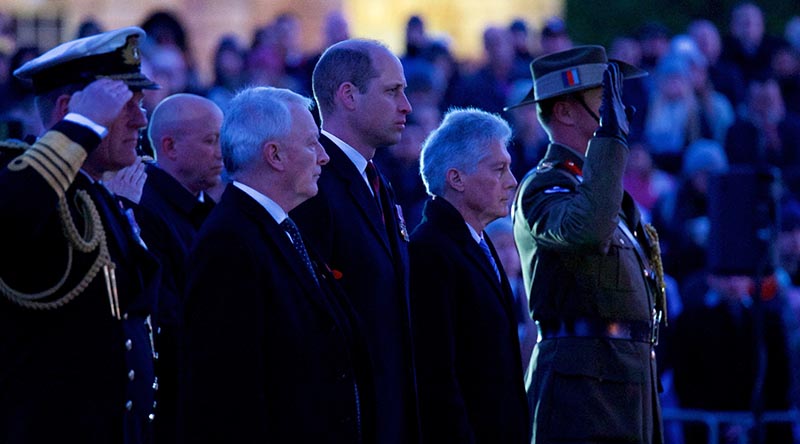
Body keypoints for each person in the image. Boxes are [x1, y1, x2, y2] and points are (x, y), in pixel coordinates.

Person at [180, 86, 370, 443]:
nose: (324, 156)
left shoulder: (280, 226)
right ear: (275, 155)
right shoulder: (230, 243)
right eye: (312, 143)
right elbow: (227, 392)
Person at [0, 27, 160, 443]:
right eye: (124, 106)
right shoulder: (28, 185)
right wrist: (80, 127)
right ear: (71, 111)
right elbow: (9, 218)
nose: (141, 120)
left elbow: (135, 304)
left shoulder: (95, 194)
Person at [507, 45, 666, 443]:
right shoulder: (545, 186)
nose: (619, 109)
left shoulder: (603, 189)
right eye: (604, 98)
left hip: (625, 386)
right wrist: (609, 139)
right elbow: (588, 230)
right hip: (583, 397)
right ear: (564, 111)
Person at [291, 38, 420, 443]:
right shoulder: (314, 187)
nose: (407, 106)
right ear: (348, 95)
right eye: (392, 91)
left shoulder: (377, 181)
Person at [409, 108, 529, 443]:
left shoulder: (479, 242)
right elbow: (437, 375)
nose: (512, 181)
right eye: (499, 169)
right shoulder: (431, 251)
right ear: (456, 178)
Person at [137, 93, 223, 444]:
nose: (221, 151)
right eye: (210, 140)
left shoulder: (206, 209)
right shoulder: (148, 211)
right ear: (169, 147)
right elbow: (169, 317)